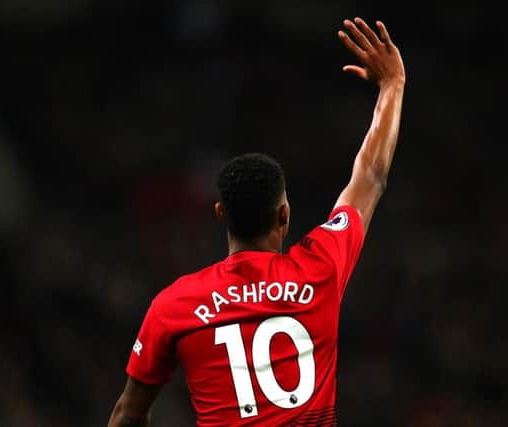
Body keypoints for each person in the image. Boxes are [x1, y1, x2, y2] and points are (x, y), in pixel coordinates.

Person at [108, 17, 405, 427]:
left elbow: (129, 413)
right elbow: (370, 176)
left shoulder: (173, 305)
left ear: (219, 215)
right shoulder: (321, 268)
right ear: (284, 215)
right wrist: (393, 85)